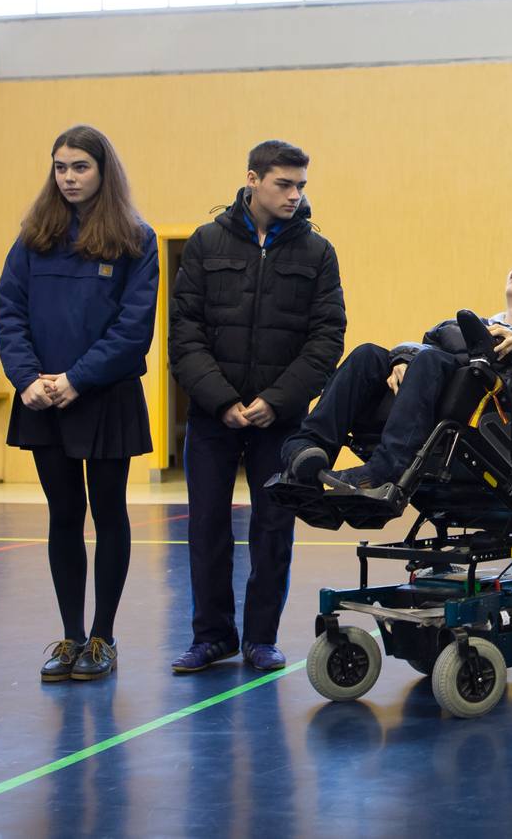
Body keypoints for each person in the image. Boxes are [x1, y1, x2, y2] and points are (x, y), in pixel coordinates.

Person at [169, 140, 346, 674]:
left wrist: (276, 400)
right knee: (206, 528)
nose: (295, 195)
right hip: (212, 417)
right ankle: (212, 636)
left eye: (301, 186)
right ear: (252, 179)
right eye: (283, 184)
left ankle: (260, 638)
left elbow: (326, 338)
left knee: (273, 530)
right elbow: (184, 332)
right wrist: (221, 400)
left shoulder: (318, 253)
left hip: (280, 420)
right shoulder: (204, 243)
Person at [0, 124, 159, 683]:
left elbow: (134, 329)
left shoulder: (137, 237)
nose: (68, 177)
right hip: (42, 398)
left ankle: (103, 638)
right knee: (63, 515)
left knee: (109, 513)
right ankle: (69, 637)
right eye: (60, 167)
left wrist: (77, 379)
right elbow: (8, 312)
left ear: (102, 170)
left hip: (104, 397)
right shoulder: (33, 237)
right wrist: (26, 379)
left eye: (80, 167)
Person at [279, 245, 512, 491]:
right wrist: (403, 359)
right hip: (440, 398)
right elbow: (428, 343)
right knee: (369, 356)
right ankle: (305, 451)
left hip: (495, 423)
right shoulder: (480, 324)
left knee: (428, 359)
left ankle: (385, 470)